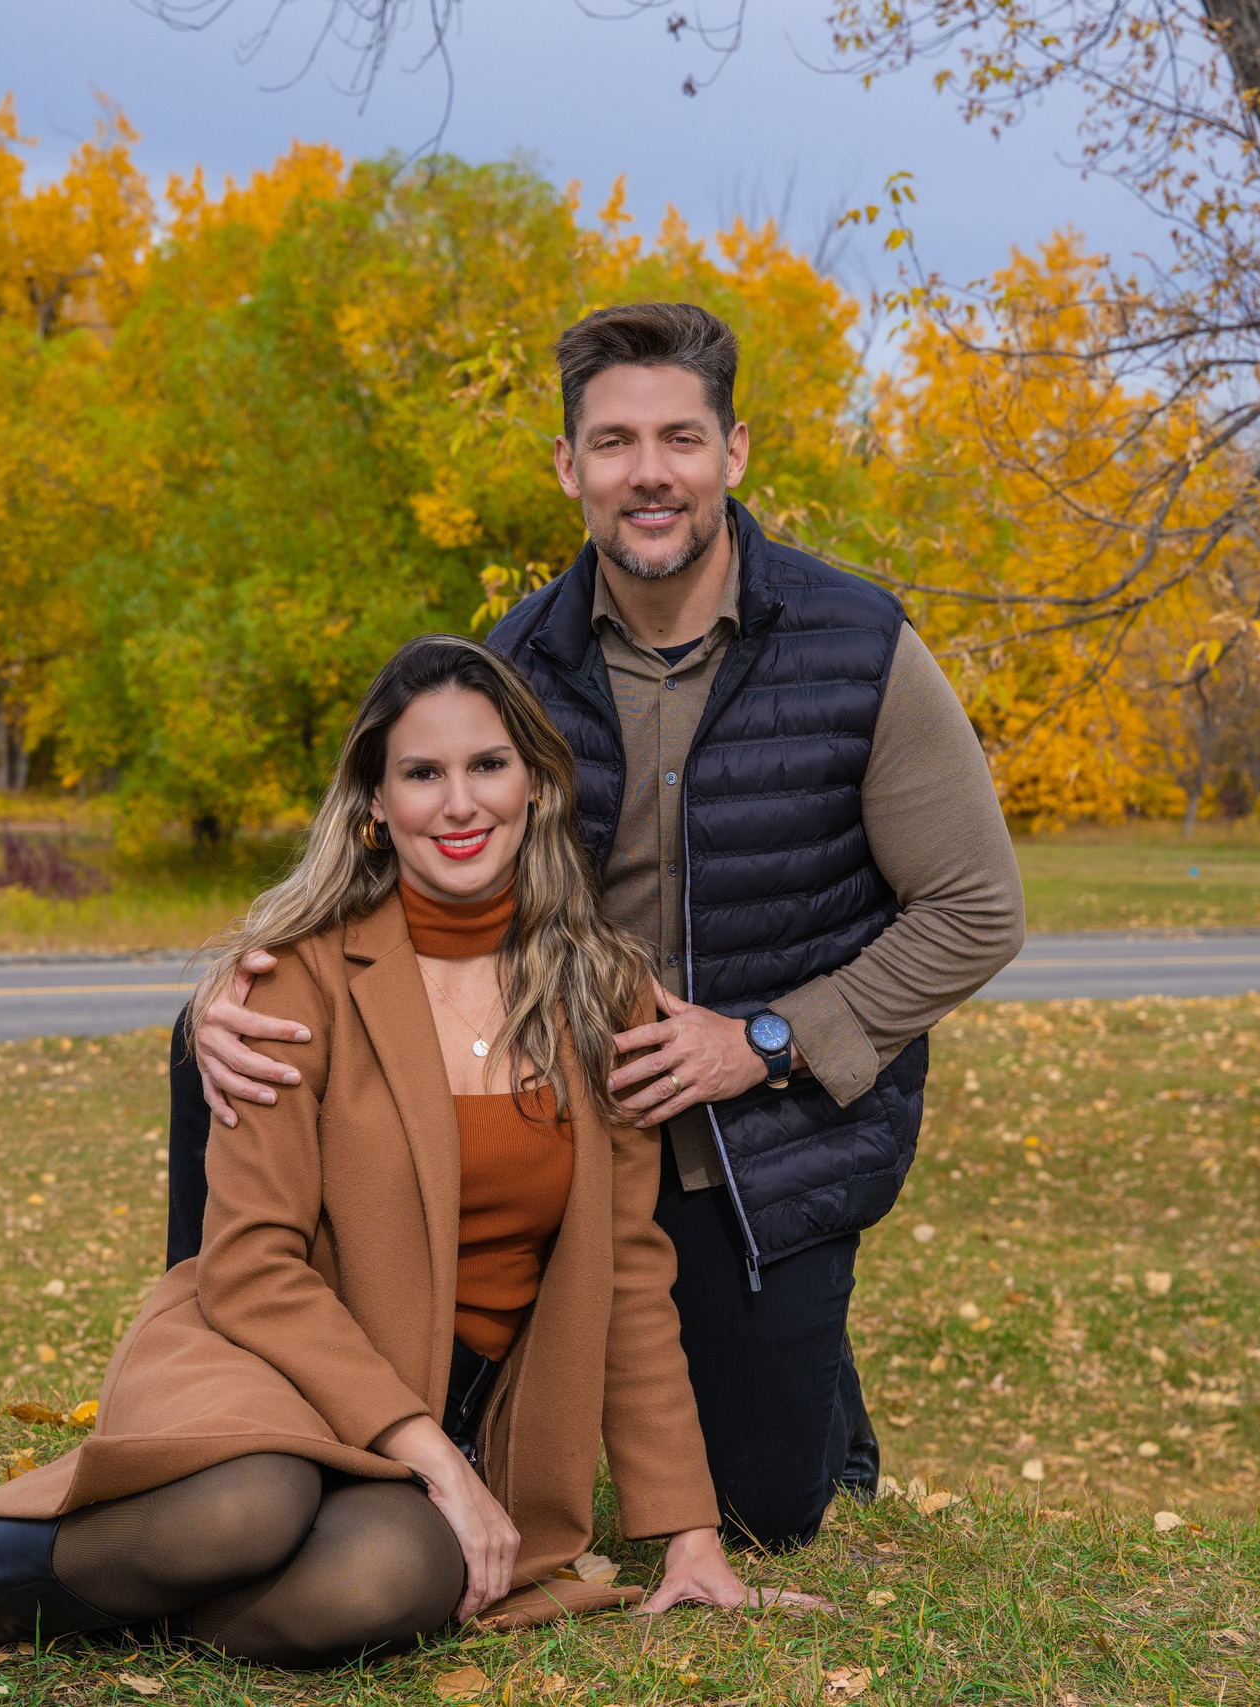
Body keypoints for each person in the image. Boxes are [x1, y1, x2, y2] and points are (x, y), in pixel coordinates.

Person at [0, 635, 796, 1697]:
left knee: (385, 1583)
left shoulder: (598, 994)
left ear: (536, 786)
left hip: (462, 1405)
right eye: (421, 773)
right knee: (248, 1505)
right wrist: (433, 1460)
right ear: (374, 802)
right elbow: (252, 1263)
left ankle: (61, 1572)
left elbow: (628, 1277)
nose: (459, 804)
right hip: (266, 1355)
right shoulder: (298, 981)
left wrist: (686, 1533)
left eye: (487, 766)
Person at [180, 302, 1026, 1551]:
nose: (649, 474)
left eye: (679, 438)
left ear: (733, 453)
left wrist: (769, 1037)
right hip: (570, 1129)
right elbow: (413, 843)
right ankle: (234, 1411)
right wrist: (226, 995)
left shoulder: (860, 647)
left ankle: (809, 1379)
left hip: (767, 1140)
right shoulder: (515, 663)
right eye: (614, 443)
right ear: (568, 467)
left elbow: (977, 909)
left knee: (762, 1512)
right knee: (215, 1061)